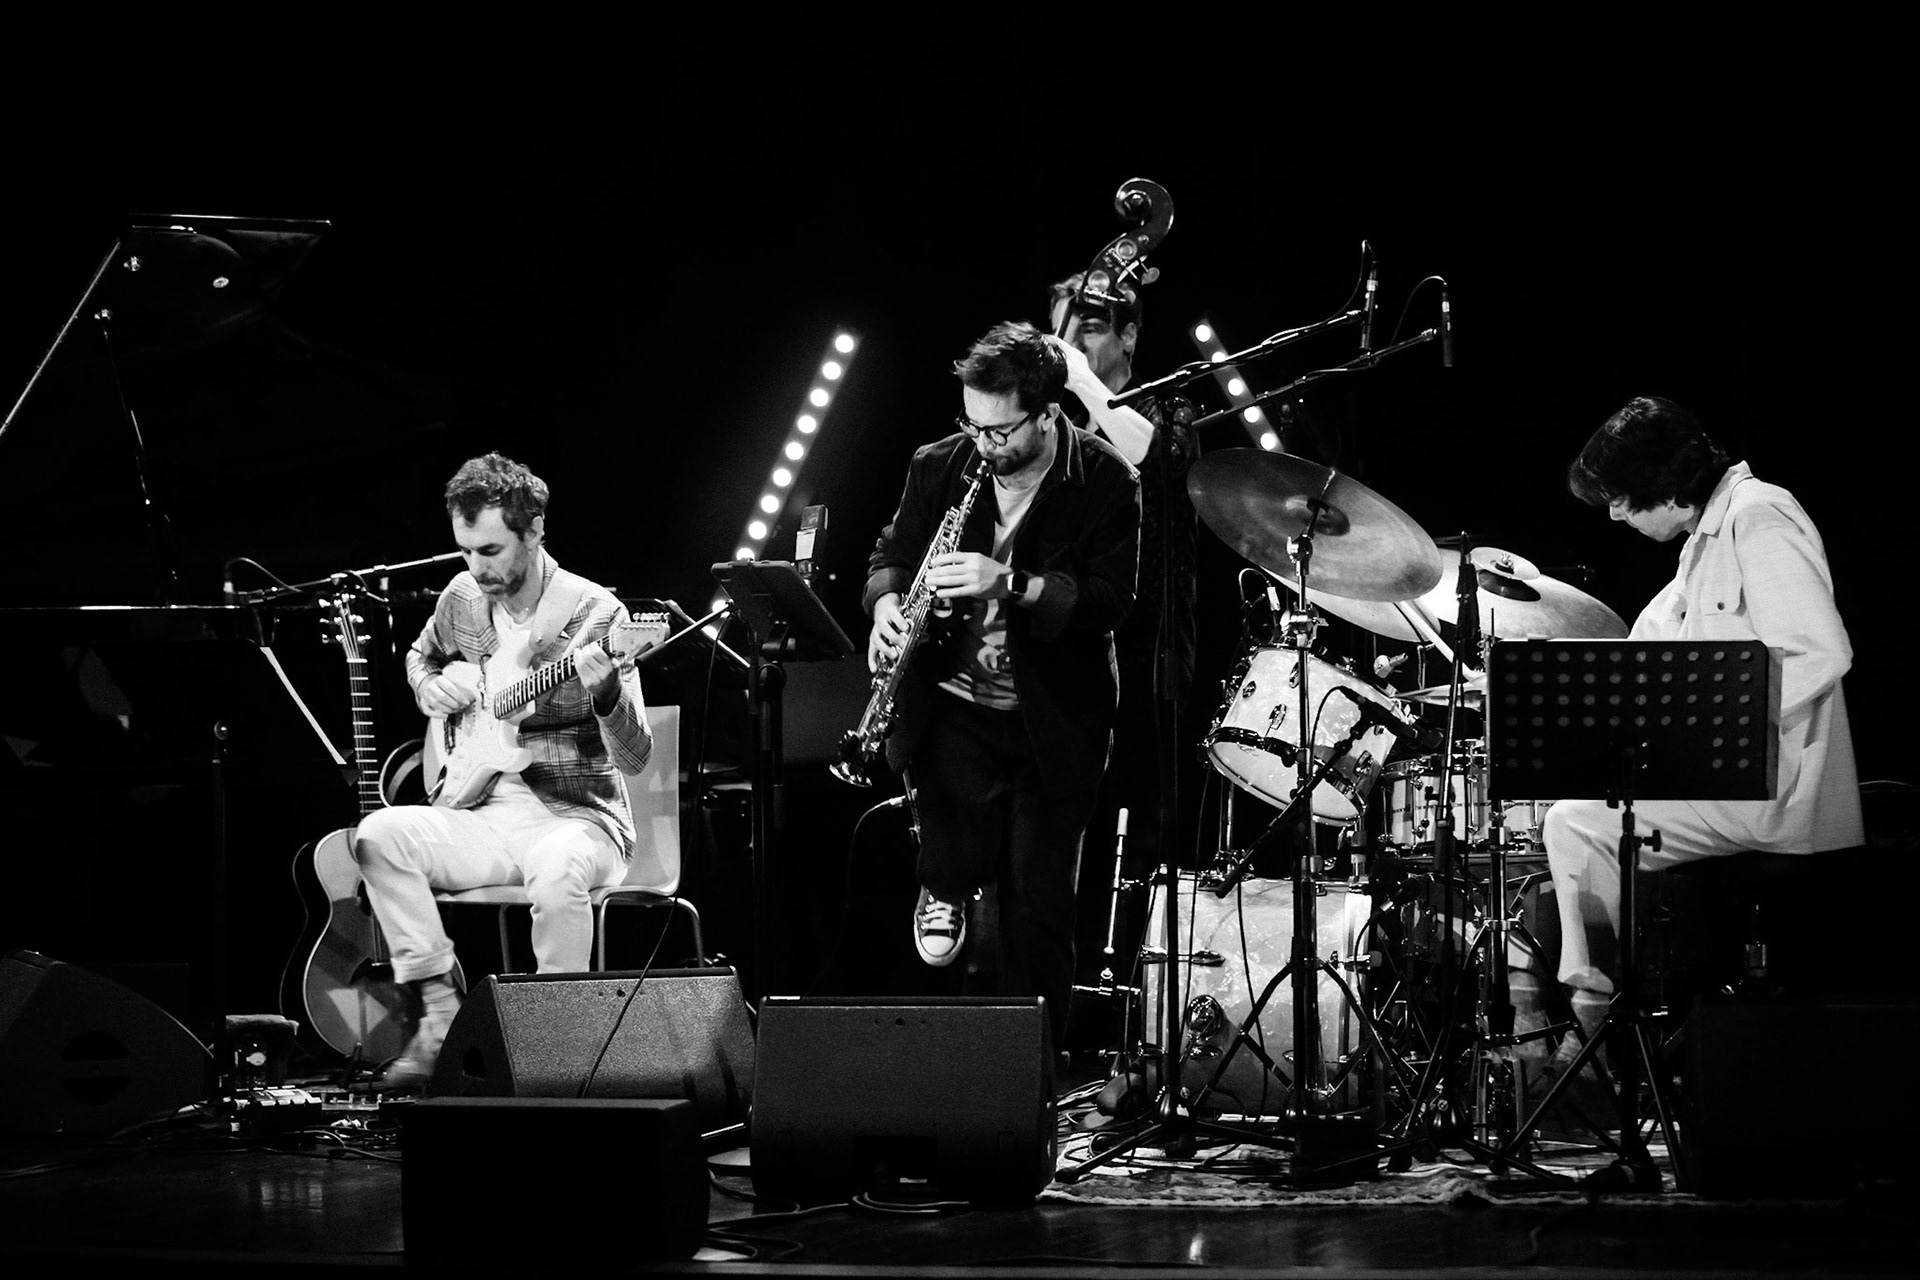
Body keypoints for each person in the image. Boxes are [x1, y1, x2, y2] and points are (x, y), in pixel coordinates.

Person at [1530, 396, 1862, 1073]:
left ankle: (1592, 1034)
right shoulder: (1703, 544)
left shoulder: (1758, 517)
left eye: (1622, 497)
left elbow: (1820, 653)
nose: (1615, 514)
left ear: (1666, 486)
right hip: (1729, 779)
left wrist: (1712, 737)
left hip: (1771, 787)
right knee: (1557, 805)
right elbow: (1644, 649)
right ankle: (1589, 1020)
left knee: (1575, 824)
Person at [863, 320, 1141, 1045]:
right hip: (954, 711)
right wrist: (888, 606)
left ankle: (1030, 1089)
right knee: (952, 859)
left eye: (1000, 430)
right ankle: (944, 880)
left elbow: (1114, 602)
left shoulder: (1108, 480)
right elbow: (890, 552)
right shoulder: (941, 463)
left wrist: (1010, 584)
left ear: (1049, 412)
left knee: (1039, 914)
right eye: (972, 425)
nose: (983, 445)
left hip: (1056, 723)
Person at [354, 452, 653, 1088]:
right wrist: (429, 688)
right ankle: (438, 1014)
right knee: (378, 836)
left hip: (578, 817)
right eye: (465, 552)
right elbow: (420, 656)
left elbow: (635, 757)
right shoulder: (462, 598)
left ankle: (554, 1052)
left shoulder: (597, 616)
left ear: (535, 530)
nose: (476, 568)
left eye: (489, 550)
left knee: (556, 871)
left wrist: (605, 696)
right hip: (481, 810)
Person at [1045, 275, 1200, 1039]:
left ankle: (1143, 1038)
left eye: (1094, 329)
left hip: (1147, 655)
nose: (1074, 343)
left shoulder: (1169, 401)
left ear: (1131, 338)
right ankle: (1051, 1027)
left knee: (1146, 844)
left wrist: (1077, 379)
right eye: (1064, 330)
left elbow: (1158, 462)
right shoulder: (1042, 422)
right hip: (1065, 663)